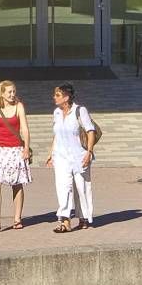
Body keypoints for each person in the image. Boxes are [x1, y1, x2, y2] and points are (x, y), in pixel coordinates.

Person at [46, 82, 99, 232]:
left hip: (79, 156)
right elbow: (57, 135)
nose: (54, 97)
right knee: (63, 188)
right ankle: (65, 220)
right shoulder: (56, 113)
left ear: (66, 97)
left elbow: (90, 131)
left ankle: (83, 217)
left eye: (57, 95)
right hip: (61, 156)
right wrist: (51, 153)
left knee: (81, 188)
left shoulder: (80, 111)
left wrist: (89, 152)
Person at [0, 79, 31, 231]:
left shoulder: (19, 107)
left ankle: (17, 219)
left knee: (17, 183)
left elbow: (25, 129)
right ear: (1, 93)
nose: (12, 94)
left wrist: (26, 148)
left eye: (14, 91)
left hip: (15, 150)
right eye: (9, 92)